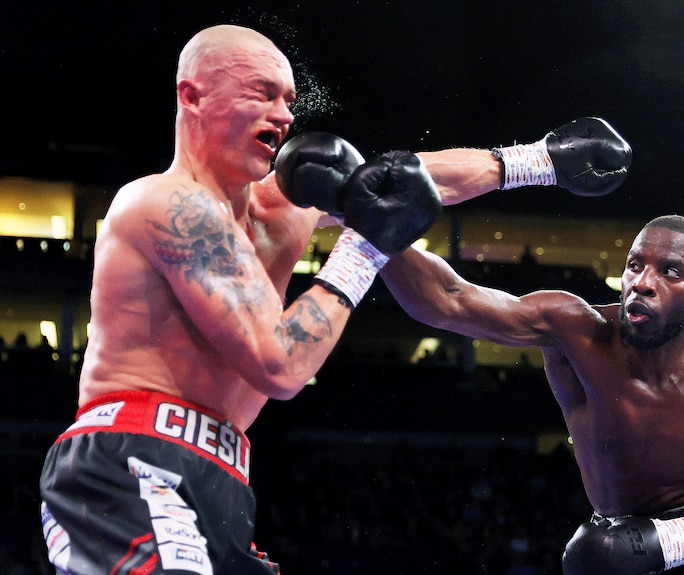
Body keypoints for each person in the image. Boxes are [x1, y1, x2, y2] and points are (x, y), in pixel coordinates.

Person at [38, 24, 632, 575]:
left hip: (222, 478)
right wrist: (365, 246)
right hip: (134, 460)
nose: (282, 114)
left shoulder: (281, 207)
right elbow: (279, 363)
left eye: (288, 101)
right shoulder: (165, 204)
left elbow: (408, 175)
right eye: (261, 93)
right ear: (192, 97)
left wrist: (543, 161)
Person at [380, 214, 684, 575]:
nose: (643, 282)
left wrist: (678, 540)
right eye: (635, 265)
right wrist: (373, 229)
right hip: (626, 544)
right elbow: (449, 299)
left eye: (670, 272)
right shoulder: (574, 333)